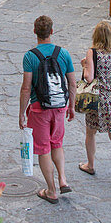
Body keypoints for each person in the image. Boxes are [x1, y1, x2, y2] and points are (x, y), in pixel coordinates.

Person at [19, 15, 75, 204]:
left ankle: (51, 190)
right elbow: (72, 83)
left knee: (43, 149)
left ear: (35, 32)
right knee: (57, 144)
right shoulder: (64, 53)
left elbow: (26, 87)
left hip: (39, 108)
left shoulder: (30, 56)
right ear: (52, 31)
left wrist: (21, 112)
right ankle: (63, 179)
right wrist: (72, 106)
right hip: (60, 106)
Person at [80, 20, 111, 187]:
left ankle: (90, 165)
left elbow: (89, 77)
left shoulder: (92, 52)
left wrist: (85, 66)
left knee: (90, 132)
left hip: (98, 98)